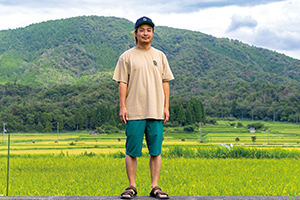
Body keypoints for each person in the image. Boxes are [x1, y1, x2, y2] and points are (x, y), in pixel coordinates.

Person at [113, 16, 174, 199]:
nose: (145, 33)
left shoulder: (160, 55)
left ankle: (155, 186)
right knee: (132, 150)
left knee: (155, 151)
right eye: (142, 30)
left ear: (153, 34)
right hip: (134, 111)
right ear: (136, 34)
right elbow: (122, 83)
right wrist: (123, 106)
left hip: (155, 110)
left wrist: (166, 106)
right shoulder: (126, 56)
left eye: (149, 30)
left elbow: (165, 83)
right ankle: (131, 186)